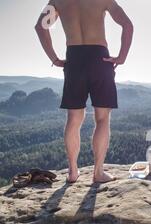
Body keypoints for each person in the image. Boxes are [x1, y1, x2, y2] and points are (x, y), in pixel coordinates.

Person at [35, 0, 134, 183]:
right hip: (99, 59)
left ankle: (73, 172)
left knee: (73, 118)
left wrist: (55, 58)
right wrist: (122, 57)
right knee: (102, 118)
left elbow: (40, 27)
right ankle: (98, 172)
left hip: (74, 59)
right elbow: (127, 25)